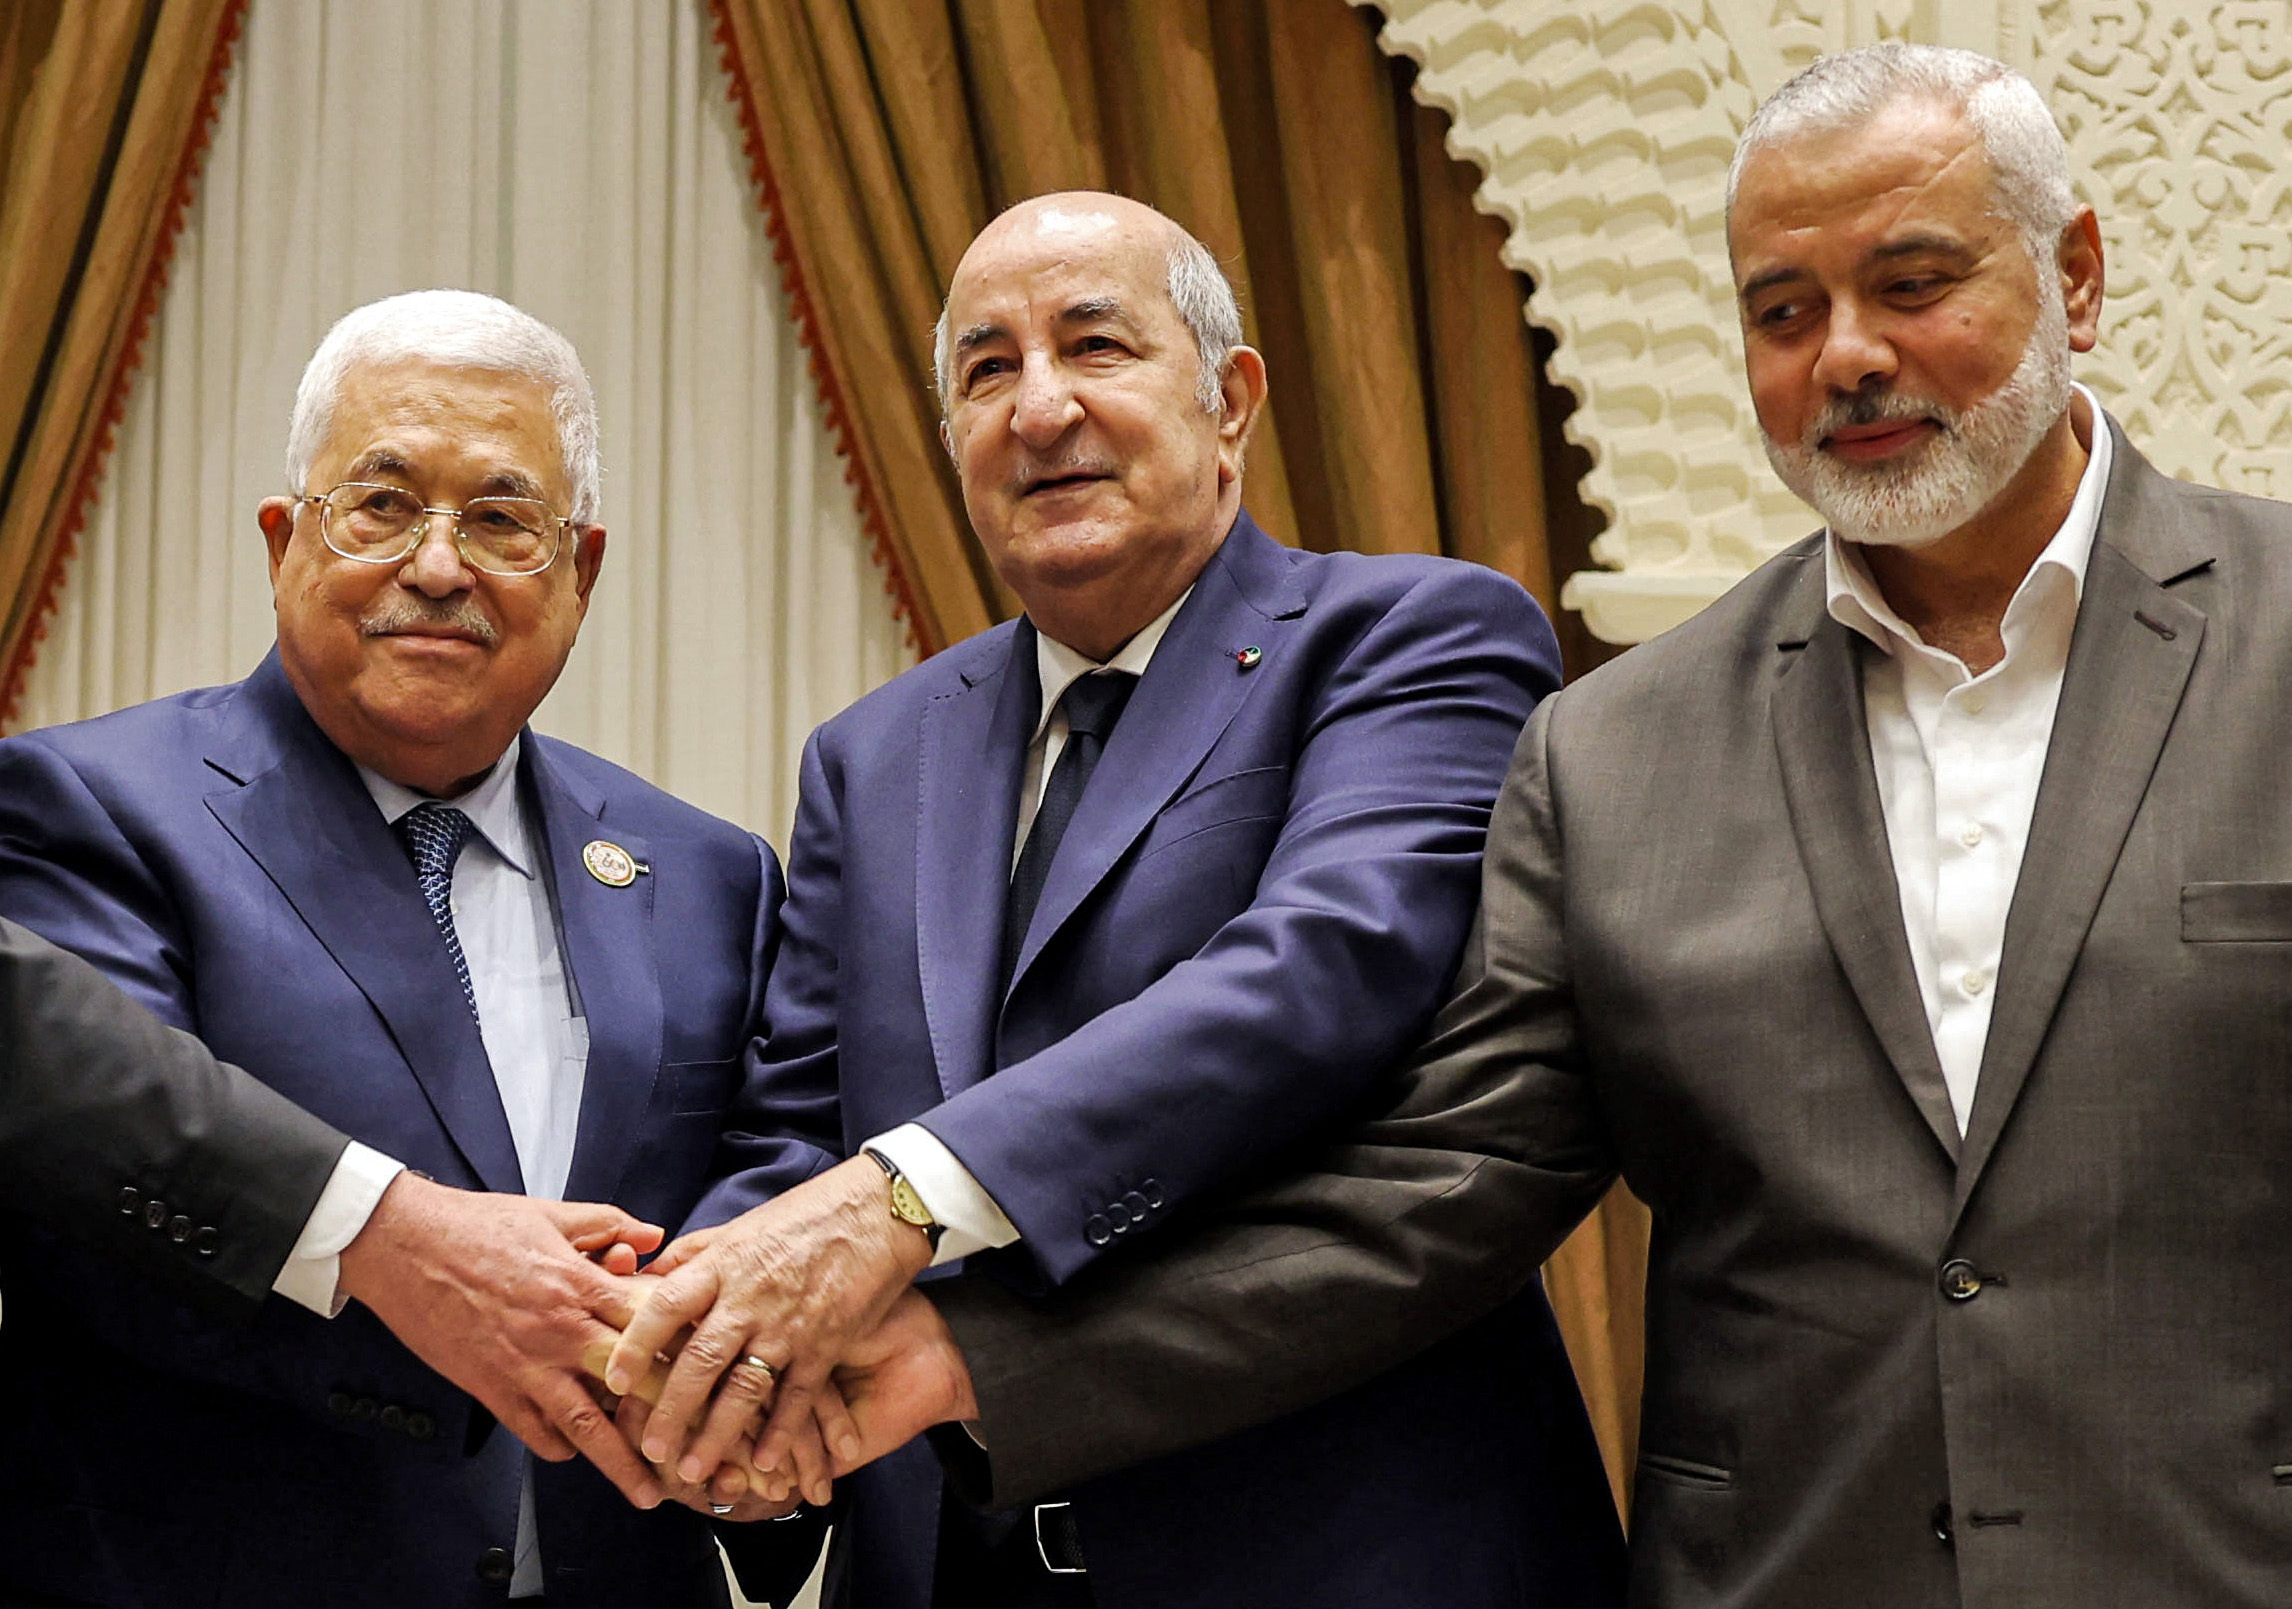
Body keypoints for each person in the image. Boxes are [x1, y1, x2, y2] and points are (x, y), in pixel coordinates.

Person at [808, 43, 2292, 1609]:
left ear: (2075, 275)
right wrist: (968, 1362)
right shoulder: (1619, 747)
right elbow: (1436, 1196)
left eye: (1914, 285)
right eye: (1783, 312)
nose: (1848, 355)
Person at [606, 193, 1623, 1607]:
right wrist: (705, 1346)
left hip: (1336, 1560)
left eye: (1095, 345)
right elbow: (797, 1131)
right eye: (988, 369)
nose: (1040, 408)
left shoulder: (1412, 638)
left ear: (1231, 402)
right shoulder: (873, 753)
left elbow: (1317, 969)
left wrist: (902, 1199)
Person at [0, 291, 814, 1609]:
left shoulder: (709, 872)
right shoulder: (89, 810)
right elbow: (106, 1206)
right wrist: (444, 1288)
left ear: (582, 570)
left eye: (501, 520)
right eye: (380, 506)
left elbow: (772, 1170)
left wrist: (720, 1374)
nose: (440, 567)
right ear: (283, 542)